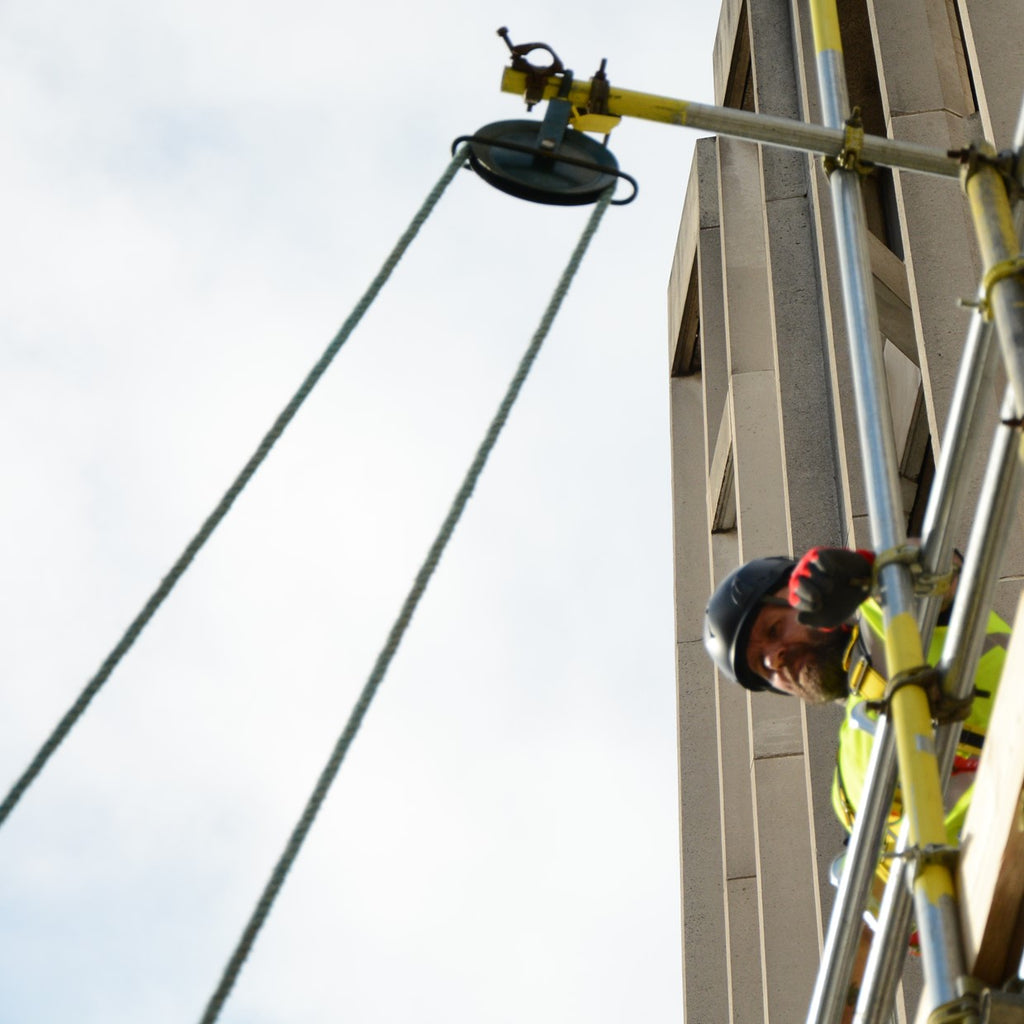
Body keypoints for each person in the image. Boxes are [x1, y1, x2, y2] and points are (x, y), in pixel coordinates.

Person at [702, 547, 1008, 846]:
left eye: (774, 629)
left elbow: (939, 568)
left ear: (807, 594)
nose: (775, 660)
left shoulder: (888, 615)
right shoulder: (844, 790)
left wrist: (867, 573)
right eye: (763, 668)